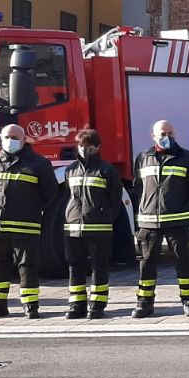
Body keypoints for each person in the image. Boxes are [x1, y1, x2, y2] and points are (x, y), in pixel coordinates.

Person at [0, 124, 58, 319]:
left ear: (24, 140)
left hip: (26, 224)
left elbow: (50, 193)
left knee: (27, 266)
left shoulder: (38, 164)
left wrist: (30, 208)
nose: (10, 140)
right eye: (7, 136)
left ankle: (30, 305)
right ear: (1, 138)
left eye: (15, 137)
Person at [132, 120, 189, 318]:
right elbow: (139, 185)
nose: (167, 137)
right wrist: (146, 206)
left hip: (177, 219)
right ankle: (144, 303)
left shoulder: (188, 158)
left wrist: (183, 204)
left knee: (183, 261)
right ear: (153, 136)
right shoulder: (143, 158)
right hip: (149, 222)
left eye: (171, 133)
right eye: (163, 133)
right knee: (147, 263)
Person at [62, 128, 123, 320]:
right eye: (81, 145)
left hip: (99, 228)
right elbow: (69, 196)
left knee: (99, 266)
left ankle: (97, 305)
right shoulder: (70, 169)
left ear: (97, 147)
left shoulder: (107, 170)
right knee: (75, 266)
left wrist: (105, 217)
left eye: (88, 145)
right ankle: (77, 304)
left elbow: (115, 200)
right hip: (73, 229)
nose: (83, 148)